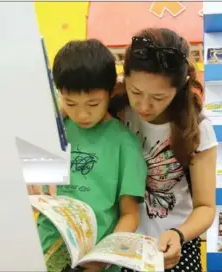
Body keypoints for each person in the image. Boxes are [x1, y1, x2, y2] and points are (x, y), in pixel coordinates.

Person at [29, 39, 147, 272]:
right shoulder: (53, 133)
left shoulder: (124, 143)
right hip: (45, 253)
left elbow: (130, 215)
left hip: (96, 261)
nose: (81, 114)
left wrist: (102, 258)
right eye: (70, 103)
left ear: (111, 91)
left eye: (93, 103)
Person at [110, 28, 218, 272]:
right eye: (136, 92)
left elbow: (205, 207)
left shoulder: (197, 128)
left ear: (179, 89)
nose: (145, 105)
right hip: (118, 247)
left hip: (173, 248)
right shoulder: (114, 111)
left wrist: (179, 234)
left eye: (159, 97)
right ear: (124, 77)